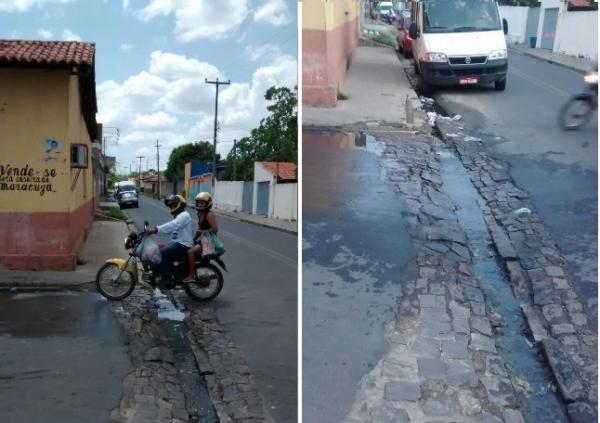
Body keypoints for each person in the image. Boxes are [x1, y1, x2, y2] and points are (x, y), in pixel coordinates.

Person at [145, 194, 193, 277]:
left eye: (173, 204)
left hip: (184, 244)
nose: (171, 207)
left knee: (160, 253)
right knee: (157, 247)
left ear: (180, 204)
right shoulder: (178, 216)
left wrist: (155, 229)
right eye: (170, 205)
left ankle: (166, 277)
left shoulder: (184, 215)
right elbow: (171, 231)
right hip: (178, 242)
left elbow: (172, 225)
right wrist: (157, 232)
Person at [183, 192, 219, 283]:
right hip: (203, 239)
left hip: (209, 241)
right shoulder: (200, 213)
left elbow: (215, 229)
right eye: (199, 202)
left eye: (202, 203)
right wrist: (193, 240)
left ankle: (191, 275)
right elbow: (199, 229)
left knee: (190, 252)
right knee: (186, 247)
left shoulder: (209, 214)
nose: (200, 204)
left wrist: (203, 232)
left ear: (207, 204)